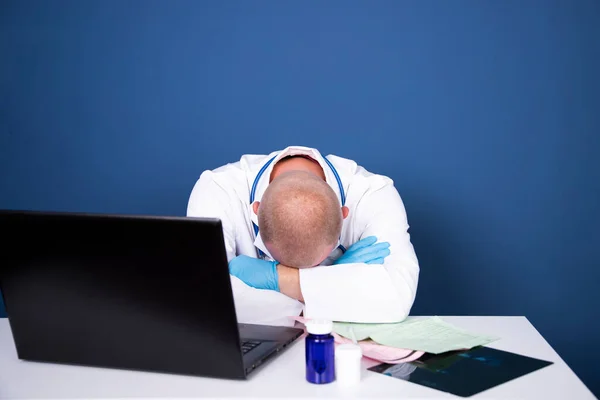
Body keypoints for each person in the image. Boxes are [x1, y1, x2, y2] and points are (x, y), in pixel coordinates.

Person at [186, 145, 419, 325]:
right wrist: (336, 283)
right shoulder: (217, 189)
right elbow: (206, 302)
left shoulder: (373, 194)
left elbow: (396, 300)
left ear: (343, 214)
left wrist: (279, 280)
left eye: (314, 266)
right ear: (255, 211)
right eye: (283, 266)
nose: (292, 272)